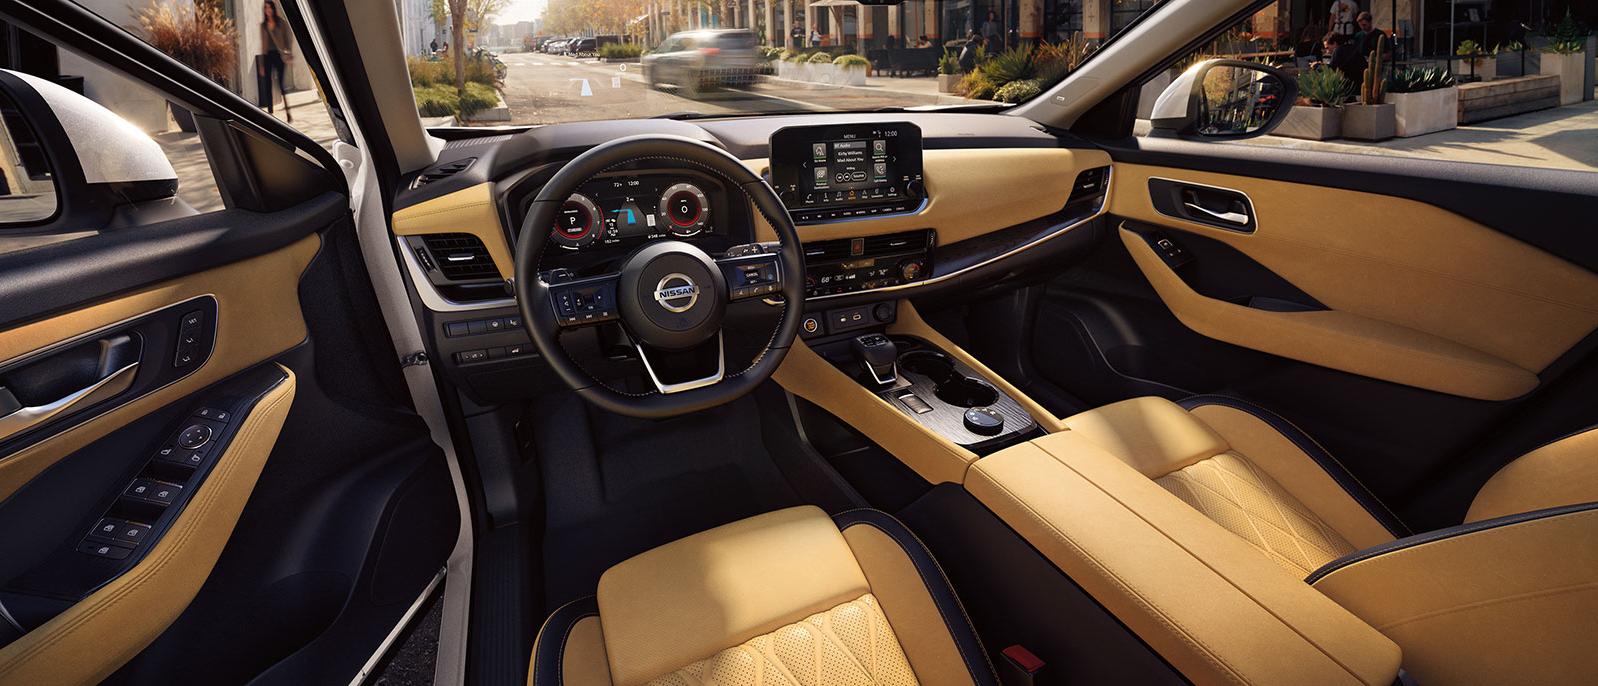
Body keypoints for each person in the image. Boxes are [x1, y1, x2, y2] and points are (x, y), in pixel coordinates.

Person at [257, 0, 292, 122]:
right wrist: (261, 64)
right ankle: (270, 112)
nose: (268, 10)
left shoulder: (281, 23)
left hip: (279, 55)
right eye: (266, 8)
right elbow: (262, 45)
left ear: (273, 9)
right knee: (267, 83)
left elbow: (288, 40)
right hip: (267, 56)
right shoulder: (263, 25)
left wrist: (289, 54)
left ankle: (287, 110)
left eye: (270, 8)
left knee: (281, 84)